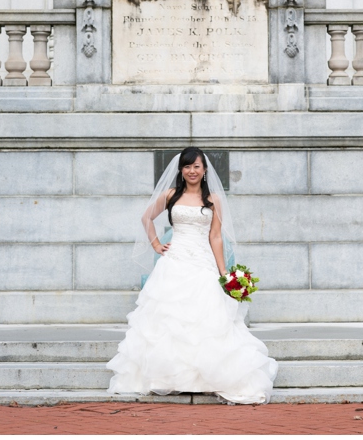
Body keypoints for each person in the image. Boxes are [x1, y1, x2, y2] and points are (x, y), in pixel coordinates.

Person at [107, 147, 277, 404]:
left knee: (207, 319)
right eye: (187, 166)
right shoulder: (171, 195)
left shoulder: (214, 200)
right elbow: (147, 217)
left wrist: (223, 274)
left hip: (202, 263)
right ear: (181, 170)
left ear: (205, 169)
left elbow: (215, 236)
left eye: (196, 166)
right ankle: (169, 378)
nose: (192, 171)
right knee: (169, 320)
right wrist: (155, 245)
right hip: (174, 262)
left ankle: (207, 378)